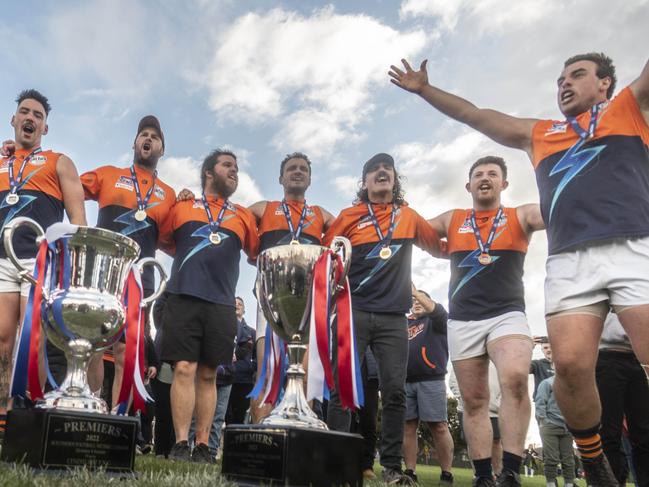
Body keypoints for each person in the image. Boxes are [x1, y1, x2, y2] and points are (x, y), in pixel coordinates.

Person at [389, 52, 649, 486]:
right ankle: (593, 460)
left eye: (577, 75)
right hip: (569, 260)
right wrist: (425, 90)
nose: (564, 84)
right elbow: (475, 115)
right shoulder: (541, 133)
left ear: (605, 84)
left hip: (633, 246)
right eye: (560, 78)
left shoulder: (630, 106)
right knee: (567, 366)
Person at [324, 152, 442, 484]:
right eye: (374, 169)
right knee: (342, 390)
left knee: (394, 392)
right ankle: (336, 464)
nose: (381, 172)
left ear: (394, 178)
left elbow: (439, 247)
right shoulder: (349, 215)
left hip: (393, 318)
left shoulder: (409, 217)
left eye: (386, 168)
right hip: (354, 312)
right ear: (364, 182)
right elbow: (327, 255)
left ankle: (391, 467)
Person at [426, 156, 543, 486]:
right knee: (474, 401)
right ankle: (482, 476)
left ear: (504, 183)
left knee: (516, 378)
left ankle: (510, 471)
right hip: (463, 320)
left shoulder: (519, 215)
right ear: (469, 186)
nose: (485, 178)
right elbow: (415, 230)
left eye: (493, 173)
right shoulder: (453, 219)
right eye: (478, 174)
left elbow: (553, 208)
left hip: (508, 314)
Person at [157, 149, 258, 463]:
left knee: (209, 374)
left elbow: (256, 253)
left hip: (222, 304)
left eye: (237, 167)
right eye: (228, 165)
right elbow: (165, 241)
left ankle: (203, 446)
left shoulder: (241, 214)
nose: (235, 171)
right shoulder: (182, 207)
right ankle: (180, 443)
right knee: (184, 369)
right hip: (183, 296)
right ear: (208, 173)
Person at [0, 89, 86, 436]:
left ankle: (31, 412)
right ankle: (4, 415)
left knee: (33, 340)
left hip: (40, 262)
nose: (31, 118)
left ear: (45, 128)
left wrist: (75, 266)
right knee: (3, 341)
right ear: (14, 120)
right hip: (2, 260)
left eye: (38, 115)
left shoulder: (59, 161)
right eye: (25, 112)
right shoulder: (2, 162)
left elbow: (78, 221)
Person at [80, 115, 176, 405]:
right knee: (94, 346)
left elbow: (174, 241)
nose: (148, 139)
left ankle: (119, 418)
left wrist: (186, 200)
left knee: (126, 351)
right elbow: (66, 185)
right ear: (134, 143)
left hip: (139, 280)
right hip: (102, 273)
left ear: (162, 149)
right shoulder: (108, 174)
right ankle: (91, 405)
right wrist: (18, 155)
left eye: (155, 137)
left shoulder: (169, 195)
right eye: (143, 134)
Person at [246, 152, 334, 422]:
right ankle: (259, 438)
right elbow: (229, 218)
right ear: (280, 177)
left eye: (303, 169)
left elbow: (348, 232)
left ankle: (300, 435)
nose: (298, 172)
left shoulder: (321, 215)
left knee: (305, 372)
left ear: (309, 179)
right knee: (267, 370)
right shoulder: (264, 208)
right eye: (292, 168)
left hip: (307, 303)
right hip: (273, 300)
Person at [403, 287, 454, 486]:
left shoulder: (437, 321)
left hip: (431, 379)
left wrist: (418, 294)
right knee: (408, 427)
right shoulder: (403, 323)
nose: (416, 302)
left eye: (421, 299)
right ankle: (410, 472)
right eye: (413, 299)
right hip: (405, 381)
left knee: (438, 426)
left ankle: (447, 474)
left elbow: (439, 312)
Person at [597, 312, 649, 486]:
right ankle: (614, 482)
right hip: (606, 357)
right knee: (610, 433)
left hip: (638, 359)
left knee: (643, 432)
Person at [449, 361, 503, 477]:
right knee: (473, 441)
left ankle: (499, 475)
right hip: (468, 408)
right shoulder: (464, 353)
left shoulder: (497, 353)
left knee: (496, 440)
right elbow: (453, 381)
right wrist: (465, 399)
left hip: (493, 408)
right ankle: (479, 475)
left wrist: (498, 401)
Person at [535, 375, 576, 487]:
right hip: (550, 426)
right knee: (551, 458)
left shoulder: (573, 384)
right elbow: (540, 403)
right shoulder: (547, 383)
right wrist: (543, 422)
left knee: (568, 459)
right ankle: (551, 483)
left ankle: (569, 484)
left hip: (567, 427)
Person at [225, 296, 256, 425]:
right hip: (225, 377)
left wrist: (251, 368)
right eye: (234, 303)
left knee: (239, 416)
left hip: (244, 381)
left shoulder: (252, 333)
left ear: (244, 310)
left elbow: (257, 357)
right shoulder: (223, 329)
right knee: (225, 414)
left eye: (240, 304)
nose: (237, 305)